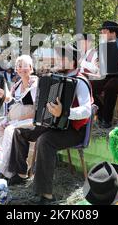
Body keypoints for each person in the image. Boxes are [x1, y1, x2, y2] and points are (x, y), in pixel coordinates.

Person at [7, 44, 92, 204]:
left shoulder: (80, 81)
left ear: (72, 62)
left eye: (60, 58)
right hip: (54, 125)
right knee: (19, 131)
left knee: (45, 140)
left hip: (74, 130)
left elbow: (87, 110)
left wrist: (65, 113)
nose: (56, 61)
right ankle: (20, 174)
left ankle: (45, 194)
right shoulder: (55, 78)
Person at [0, 55, 38, 178]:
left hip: (28, 120)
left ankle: (5, 171)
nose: (22, 68)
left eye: (26, 66)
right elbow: (12, 100)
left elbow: (37, 110)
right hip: (13, 118)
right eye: (19, 66)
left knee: (10, 130)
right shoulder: (17, 84)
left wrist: (15, 121)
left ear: (31, 68)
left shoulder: (35, 84)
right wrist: (4, 96)